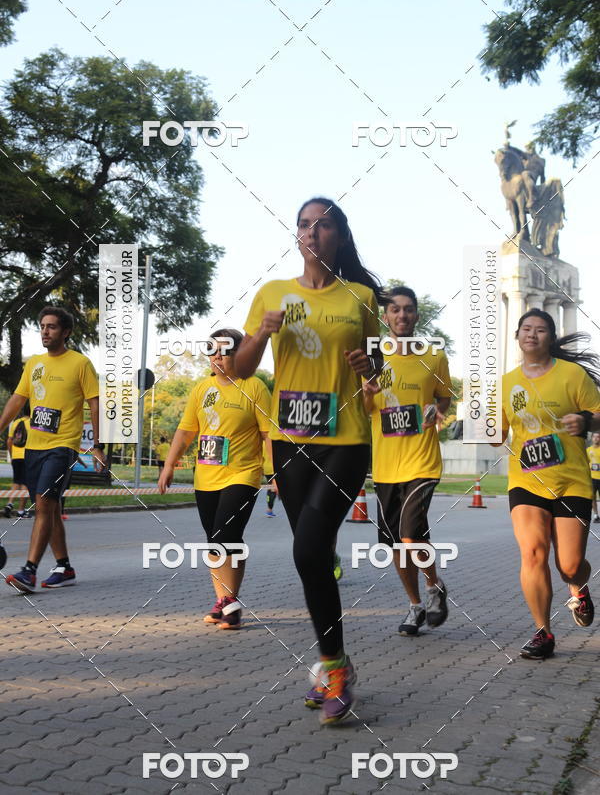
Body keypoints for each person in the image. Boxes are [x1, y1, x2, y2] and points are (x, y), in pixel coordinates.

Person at [235, 197, 384, 725]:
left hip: (346, 439)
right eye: (303, 225)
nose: (312, 233)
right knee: (312, 557)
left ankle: (333, 669)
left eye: (322, 225)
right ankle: (336, 661)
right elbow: (241, 368)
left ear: (339, 236)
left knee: (308, 548)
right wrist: (261, 333)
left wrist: (368, 366)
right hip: (290, 442)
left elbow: (379, 370)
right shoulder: (272, 293)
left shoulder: (361, 297)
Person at [499, 309, 600, 659]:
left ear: (551, 338)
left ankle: (579, 587)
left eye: (540, 330)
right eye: (526, 328)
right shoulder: (506, 383)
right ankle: (543, 632)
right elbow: (497, 434)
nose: (532, 334)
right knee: (532, 552)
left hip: (571, 481)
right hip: (526, 480)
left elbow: (599, 414)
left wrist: (585, 421)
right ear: (517, 336)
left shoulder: (572, 375)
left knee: (569, 565)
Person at [158, 329, 271, 630]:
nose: (217, 356)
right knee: (214, 540)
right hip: (206, 476)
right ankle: (223, 600)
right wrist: (169, 465)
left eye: (225, 351)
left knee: (225, 535)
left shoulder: (254, 387)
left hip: (242, 474)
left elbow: (268, 434)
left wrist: (274, 472)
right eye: (212, 351)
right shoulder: (201, 389)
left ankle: (231, 603)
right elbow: (186, 431)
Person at [362, 286, 452, 636]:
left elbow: (444, 398)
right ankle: (416, 606)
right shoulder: (372, 357)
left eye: (409, 309)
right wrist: (366, 393)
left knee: (409, 536)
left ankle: (433, 586)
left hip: (422, 461)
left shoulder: (433, 355)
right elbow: (364, 409)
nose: (402, 315)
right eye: (395, 309)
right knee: (397, 544)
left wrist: (436, 410)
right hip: (386, 465)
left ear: (417, 314)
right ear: (385, 316)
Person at [0, 306, 106, 592]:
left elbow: (95, 403)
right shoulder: (34, 363)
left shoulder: (80, 363)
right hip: (34, 447)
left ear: (66, 332)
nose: (45, 332)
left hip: (62, 446)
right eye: (42, 326)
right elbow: (18, 398)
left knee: (45, 504)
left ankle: (29, 571)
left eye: (52, 327)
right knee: (49, 507)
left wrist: (97, 445)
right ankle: (64, 567)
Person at [4, 406, 31, 518]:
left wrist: (12, 455)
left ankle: (9, 504)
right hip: (27, 456)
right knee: (25, 483)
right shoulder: (32, 424)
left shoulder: (15, 423)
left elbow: (9, 441)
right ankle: (21, 511)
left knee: (16, 481)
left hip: (15, 456)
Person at [587, 432, 600, 523]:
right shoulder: (588, 450)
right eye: (594, 437)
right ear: (591, 438)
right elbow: (586, 462)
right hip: (592, 477)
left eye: (598, 437)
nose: (595, 438)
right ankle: (596, 515)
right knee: (592, 497)